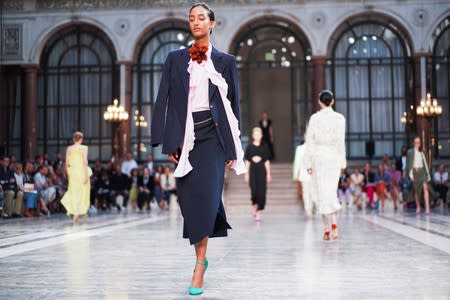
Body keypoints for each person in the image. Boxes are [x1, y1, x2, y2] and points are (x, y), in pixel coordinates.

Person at [150, 3, 246, 296]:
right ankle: (200, 257)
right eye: (191, 18)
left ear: (212, 24)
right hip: (186, 137)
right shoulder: (175, 59)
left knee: (207, 197)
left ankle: (199, 264)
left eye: (201, 18)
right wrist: (166, 141)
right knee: (190, 203)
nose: (196, 22)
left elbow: (234, 107)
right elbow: (162, 100)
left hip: (214, 138)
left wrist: (233, 146)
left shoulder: (226, 61)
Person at [305, 90, 346, 240]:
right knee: (331, 191)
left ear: (320, 102)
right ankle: (334, 225)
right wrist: (343, 163)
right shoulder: (340, 119)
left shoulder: (315, 119)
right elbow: (341, 142)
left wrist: (308, 163)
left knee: (321, 192)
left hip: (319, 158)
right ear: (333, 101)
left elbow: (310, 142)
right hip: (334, 158)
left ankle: (326, 228)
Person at [61, 131, 92, 224]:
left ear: (73, 139)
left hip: (73, 173)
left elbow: (66, 162)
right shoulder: (84, 148)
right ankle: (80, 211)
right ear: (81, 139)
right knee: (83, 192)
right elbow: (85, 161)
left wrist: (67, 173)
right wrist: (86, 175)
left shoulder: (69, 148)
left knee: (73, 192)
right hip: (82, 171)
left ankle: (76, 212)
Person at [244, 127, 271, 221]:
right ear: (252, 135)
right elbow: (247, 161)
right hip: (253, 170)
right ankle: (254, 207)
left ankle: (258, 211)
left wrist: (268, 174)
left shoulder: (265, 146)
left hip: (261, 170)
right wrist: (246, 174)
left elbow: (266, 161)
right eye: (255, 134)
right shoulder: (249, 147)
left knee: (261, 192)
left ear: (261, 135)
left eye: (259, 134)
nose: (257, 135)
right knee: (254, 191)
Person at [405, 137, 432, 214]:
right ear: (413, 143)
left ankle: (427, 207)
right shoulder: (410, 152)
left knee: (425, 188)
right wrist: (410, 175)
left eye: (419, 142)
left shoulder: (423, 151)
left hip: (422, 172)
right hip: (414, 172)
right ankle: (418, 206)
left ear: (420, 143)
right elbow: (408, 165)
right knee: (417, 191)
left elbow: (426, 164)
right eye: (416, 142)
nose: (417, 144)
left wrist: (428, 174)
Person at [293, 138, 313, 217]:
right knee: (306, 191)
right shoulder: (300, 148)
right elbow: (297, 162)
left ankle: (311, 207)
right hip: (304, 173)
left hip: (313, 174)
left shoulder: (315, 148)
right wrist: (295, 174)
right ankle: (308, 209)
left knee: (312, 192)